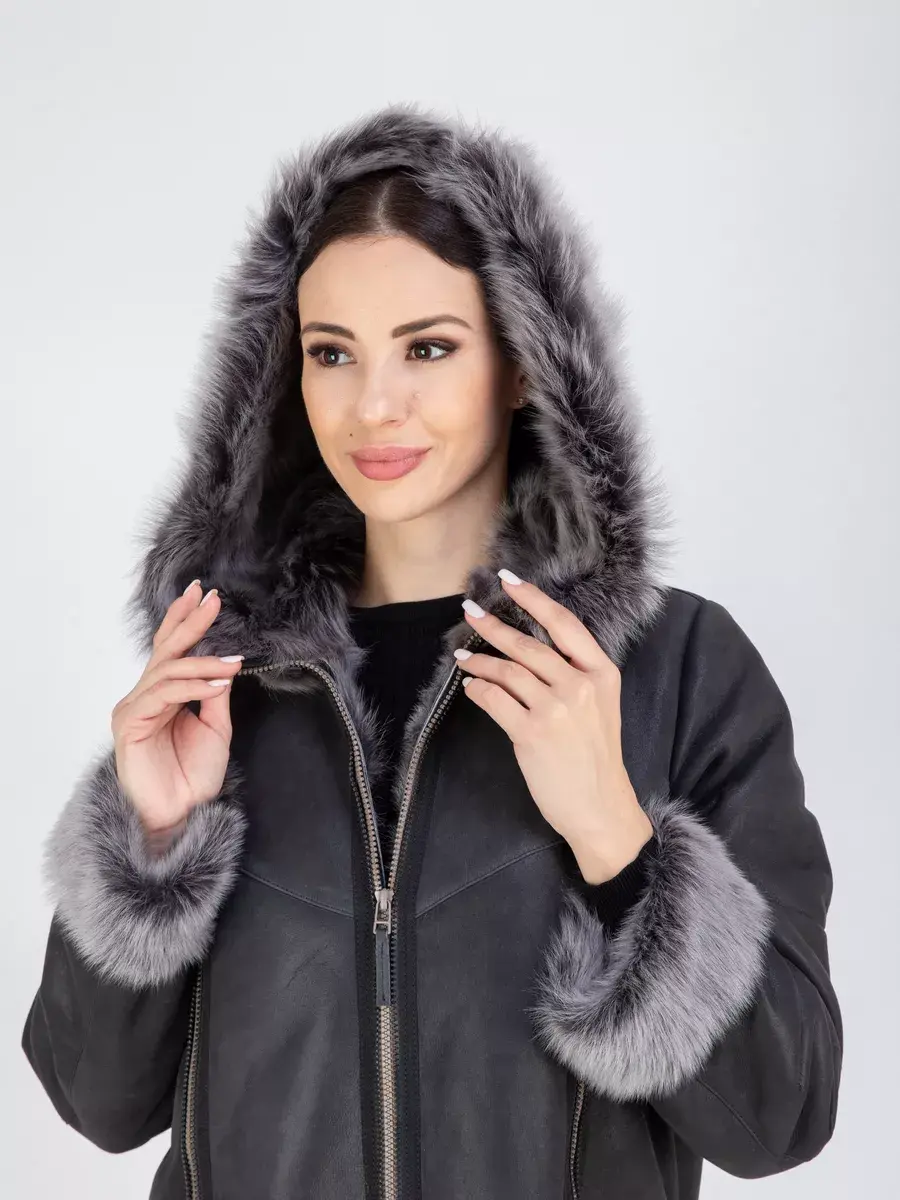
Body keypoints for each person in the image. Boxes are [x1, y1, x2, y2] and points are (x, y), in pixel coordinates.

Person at [20, 101, 842, 1200]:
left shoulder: (675, 669)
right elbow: (97, 1104)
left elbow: (782, 1117)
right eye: (331, 353)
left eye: (428, 347)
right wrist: (154, 846)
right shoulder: (225, 683)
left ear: (521, 362)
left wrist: (615, 837)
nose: (374, 405)